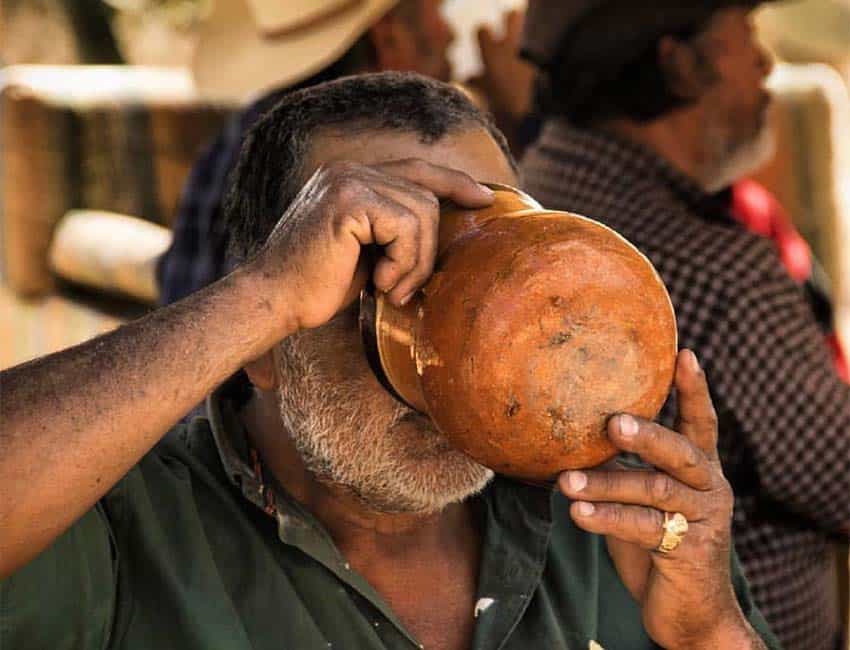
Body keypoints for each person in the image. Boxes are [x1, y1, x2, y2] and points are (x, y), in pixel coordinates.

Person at [0, 72, 779, 650]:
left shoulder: (621, 521)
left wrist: (710, 627)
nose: (461, 319)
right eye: (378, 253)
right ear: (267, 343)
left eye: (490, 249)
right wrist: (263, 299)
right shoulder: (123, 519)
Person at [519, 3, 850, 649]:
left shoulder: (533, 190)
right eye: (744, 38)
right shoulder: (724, 271)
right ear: (678, 65)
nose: (765, 63)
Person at [157, 0, 533, 307]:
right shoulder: (376, 167)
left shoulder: (236, 140)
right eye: (436, 10)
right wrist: (521, 118)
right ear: (390, 39)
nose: (449, 33)